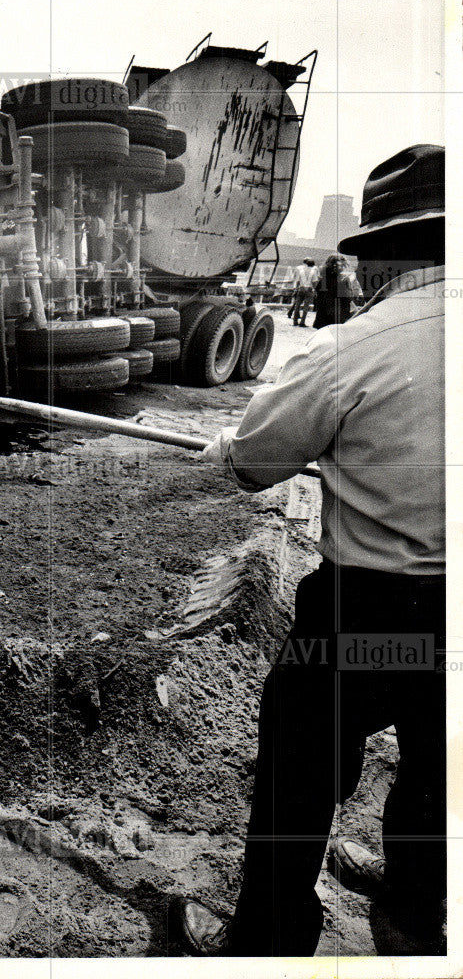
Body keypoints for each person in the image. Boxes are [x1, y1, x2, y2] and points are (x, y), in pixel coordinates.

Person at [172, 144, 445, 957]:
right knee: (439, 760)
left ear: (389, 250)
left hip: (370, 610)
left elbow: (256, 463)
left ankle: (269, 937)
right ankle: (418, 901)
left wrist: (226, 445)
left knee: (300, 761)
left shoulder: (348, 351)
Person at [312, 253, 365, 329]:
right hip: (338, 317)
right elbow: (348, 298)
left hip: (323, 318)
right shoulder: (343, 279)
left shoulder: (322, 280)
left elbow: (318, 298)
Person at [287, 257, 318, 324]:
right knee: (306, 307)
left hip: (301, 289)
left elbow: (298, 281)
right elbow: (314, 282)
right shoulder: (313, 272)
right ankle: (302, 322)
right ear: (313, 265)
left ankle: (295, 321)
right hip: (309, 289)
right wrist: (315, 290)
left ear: (306, 264)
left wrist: (296, 289)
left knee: (297, 305)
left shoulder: (301, 271)